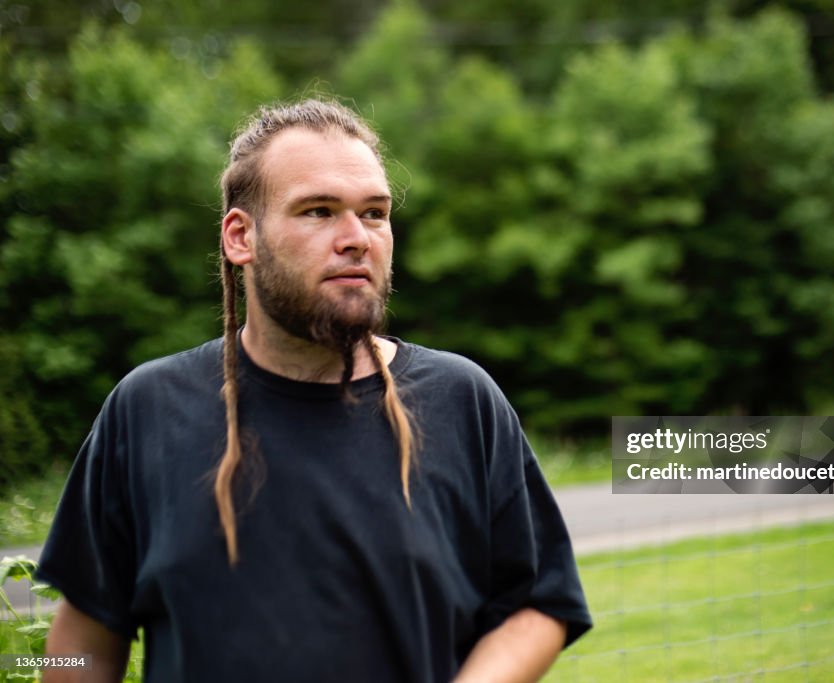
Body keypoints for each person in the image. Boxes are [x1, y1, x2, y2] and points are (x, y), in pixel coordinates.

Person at [35, 98, 591, 682]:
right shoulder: (146, 410)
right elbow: (82, 644)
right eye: (319, 211)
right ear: (239, 237)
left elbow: (537, 602)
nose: (356, 238)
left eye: (374, 213)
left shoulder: (461, 400)